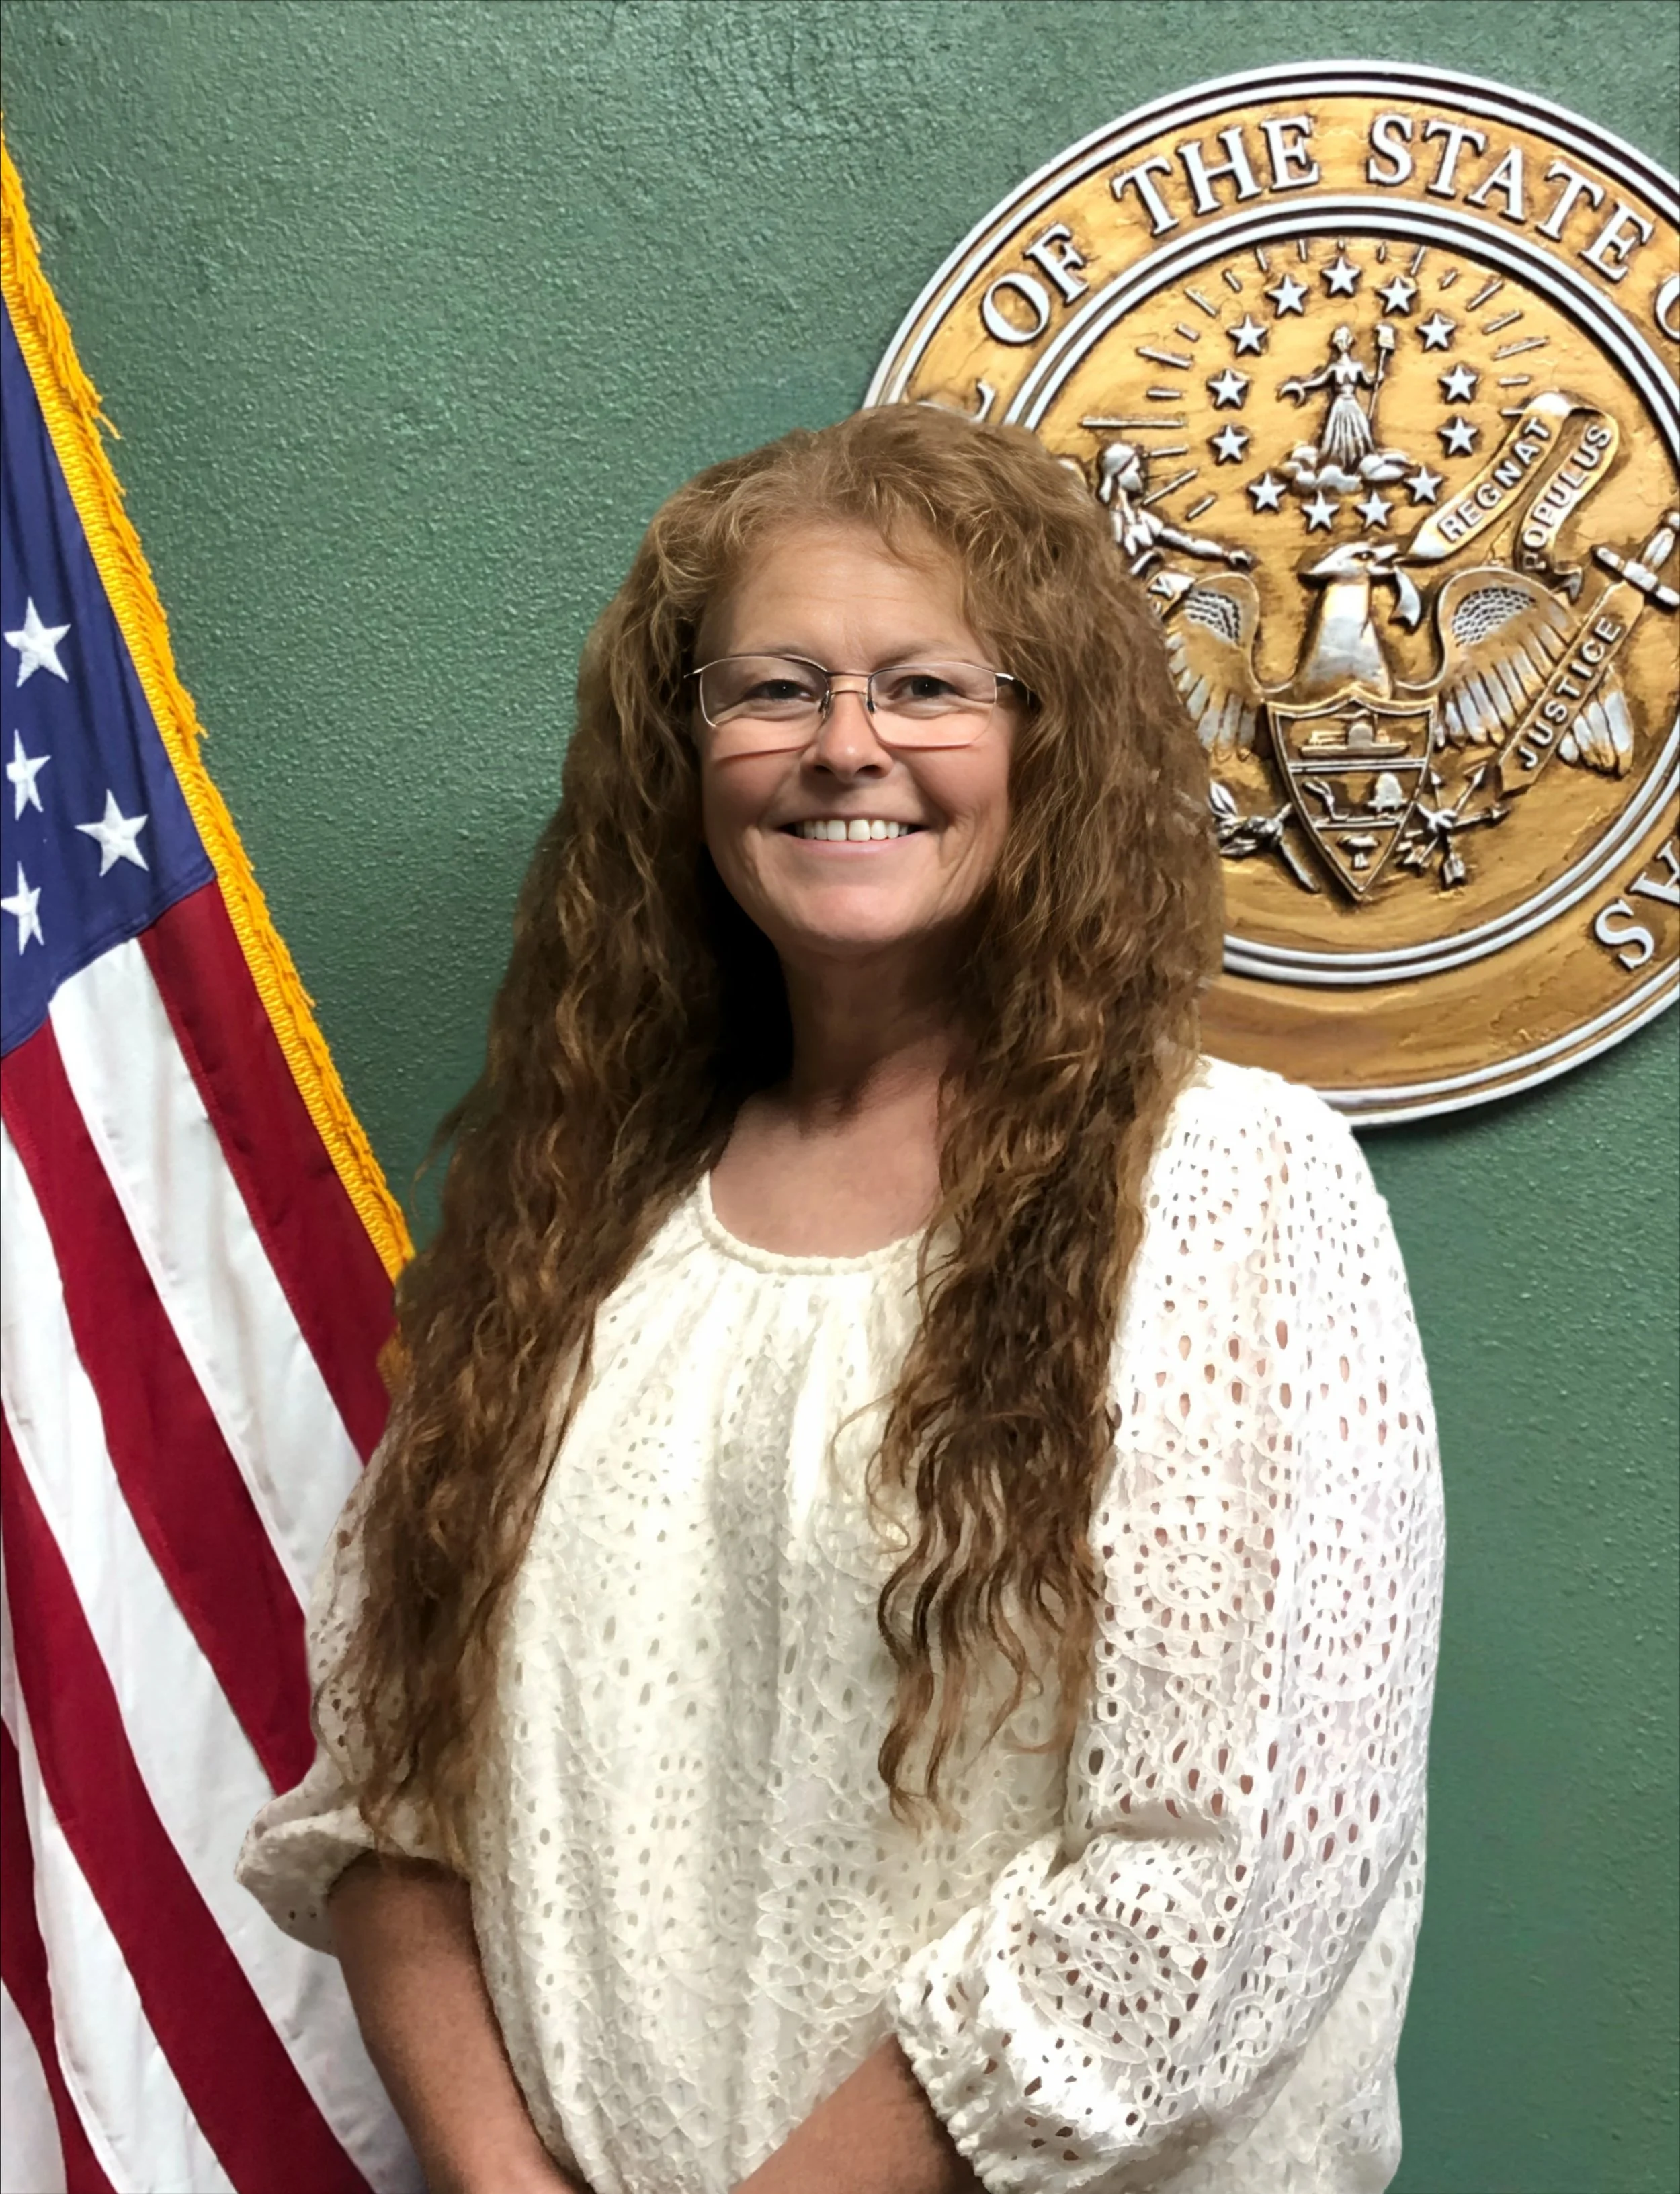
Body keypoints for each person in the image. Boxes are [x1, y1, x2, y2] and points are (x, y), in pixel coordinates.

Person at [239, 403, 1443, 2194]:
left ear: (1053, 744)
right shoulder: (575, 1222)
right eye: (772, 690)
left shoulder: (1226, 1193)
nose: (843, 747)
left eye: (927, 688)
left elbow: (1209, 1895)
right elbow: (390, 1791)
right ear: (687, 751)